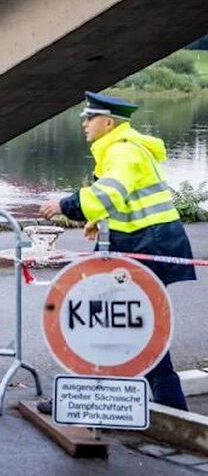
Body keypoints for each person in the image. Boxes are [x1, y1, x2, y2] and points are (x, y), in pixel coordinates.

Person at [39, 91, 196, 411]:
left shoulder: (123, 152)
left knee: (118, 322)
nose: (84, 123)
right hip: (137, 244)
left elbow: (109, 193)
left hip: (145, 246)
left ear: (108, 122)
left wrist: (64, 205)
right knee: (121, 322)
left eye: (90, 118)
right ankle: (164, 405)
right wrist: (99, 220)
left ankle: (95, 398)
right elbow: (122, 198)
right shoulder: (118, 149)